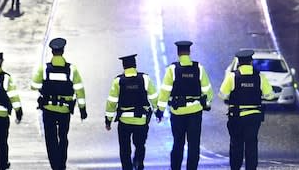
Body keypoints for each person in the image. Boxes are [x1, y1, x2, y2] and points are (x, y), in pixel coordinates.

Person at [156, 40, 214, 170]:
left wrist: (159, 111)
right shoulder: (199, 68)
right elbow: (208, 91)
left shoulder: (172, 69)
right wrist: (206, 103)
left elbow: (165, 91)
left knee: (178, 144)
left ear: (178, 53)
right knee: (194, 145)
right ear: (189, 52)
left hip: (178, 113)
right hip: (195, 112)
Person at [31, 37, 87, 170]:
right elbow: (79, 89)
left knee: (50, 139)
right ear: (63, 51)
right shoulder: (71, 69)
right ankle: (62, 164)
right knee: (63, 137)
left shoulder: (44, 69)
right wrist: (82, 108)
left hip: (48, 108)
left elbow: (34, 85)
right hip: (65, 110)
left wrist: (43, 86)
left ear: (52, 52)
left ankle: (55, 165)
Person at [218, 49, 275, 170]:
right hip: (254, 116)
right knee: (251, 145)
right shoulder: (259, 77)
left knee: (236, 144)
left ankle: (235, 168)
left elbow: (222, 95)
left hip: (236, 116)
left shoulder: (232, 76)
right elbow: (270, 95)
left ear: (239, 62)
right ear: (251, 62)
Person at [105, 54, 158, 170]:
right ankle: (139, 161)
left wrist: (108, 120)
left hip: (124, 122)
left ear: (124, 66)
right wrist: (158, 112)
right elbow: (153, 97)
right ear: (135, 65)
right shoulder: (145, 78)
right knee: (140, 145)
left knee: (125, 149)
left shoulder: (118, 81)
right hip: (141, 120)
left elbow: (111, 103)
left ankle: (127, 168)